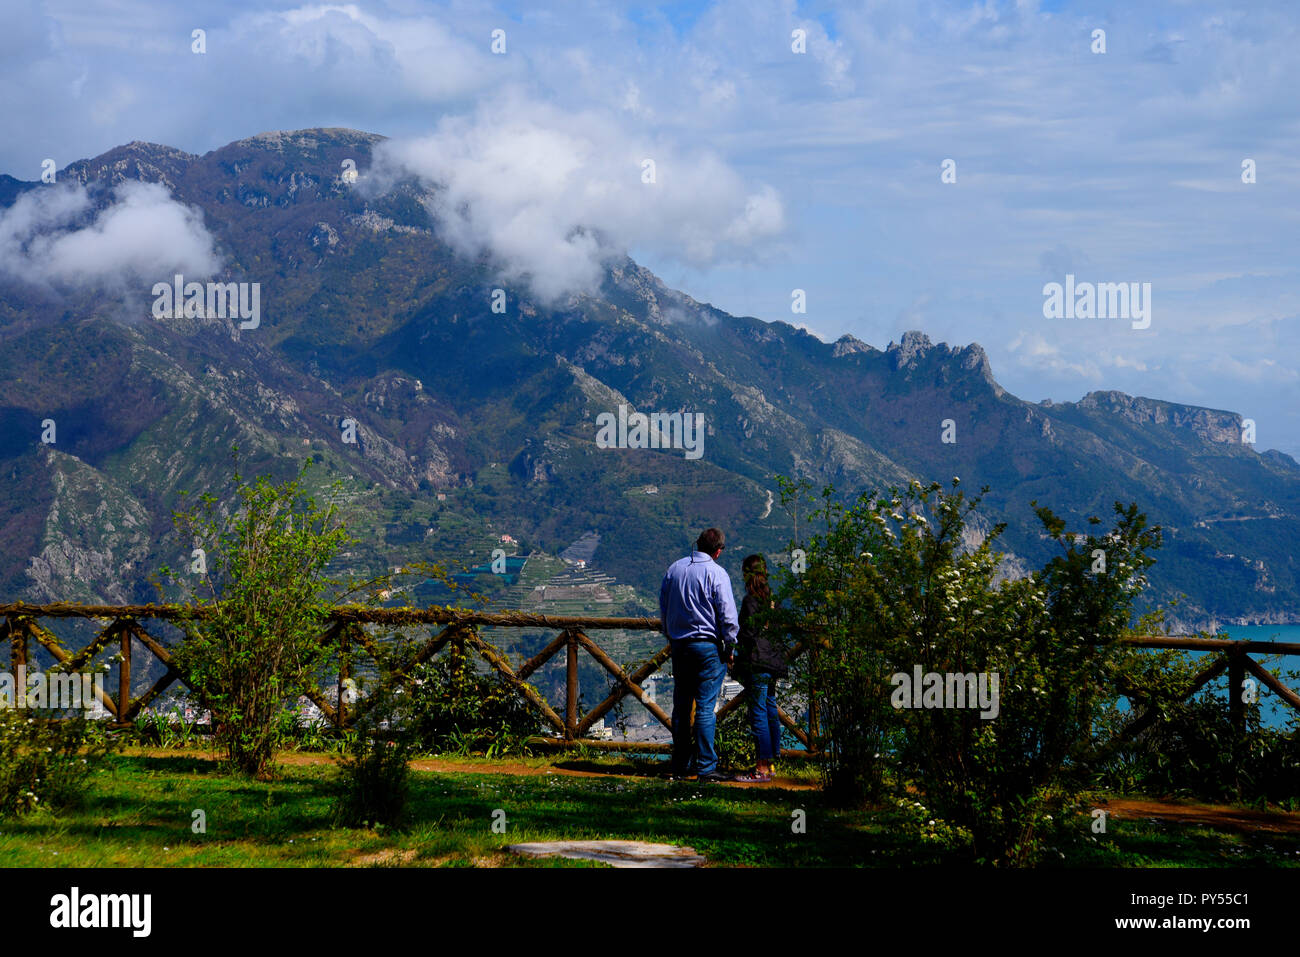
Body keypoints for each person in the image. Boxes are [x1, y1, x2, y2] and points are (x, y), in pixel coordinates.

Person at [659, 527, 738, 783]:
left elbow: (664, 603)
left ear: (697, 544)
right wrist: (730, 645)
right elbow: (727, 614)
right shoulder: (717, 573)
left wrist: (669, 633)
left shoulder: (675, 569)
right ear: (717, 551)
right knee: (705, 707)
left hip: (680, 645)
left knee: (681, 706)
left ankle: (681, 763)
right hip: (708, 646)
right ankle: (706, 767)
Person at [732, 554, 786, 784]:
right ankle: (772, 762)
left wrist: (735, 655)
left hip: (758, 663)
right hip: (774, 662)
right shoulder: (774, 599)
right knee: (770, 709)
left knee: (758, 714)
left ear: (747, 574)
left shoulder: (750, 601)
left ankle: (761, 768)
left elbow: (746, 633)